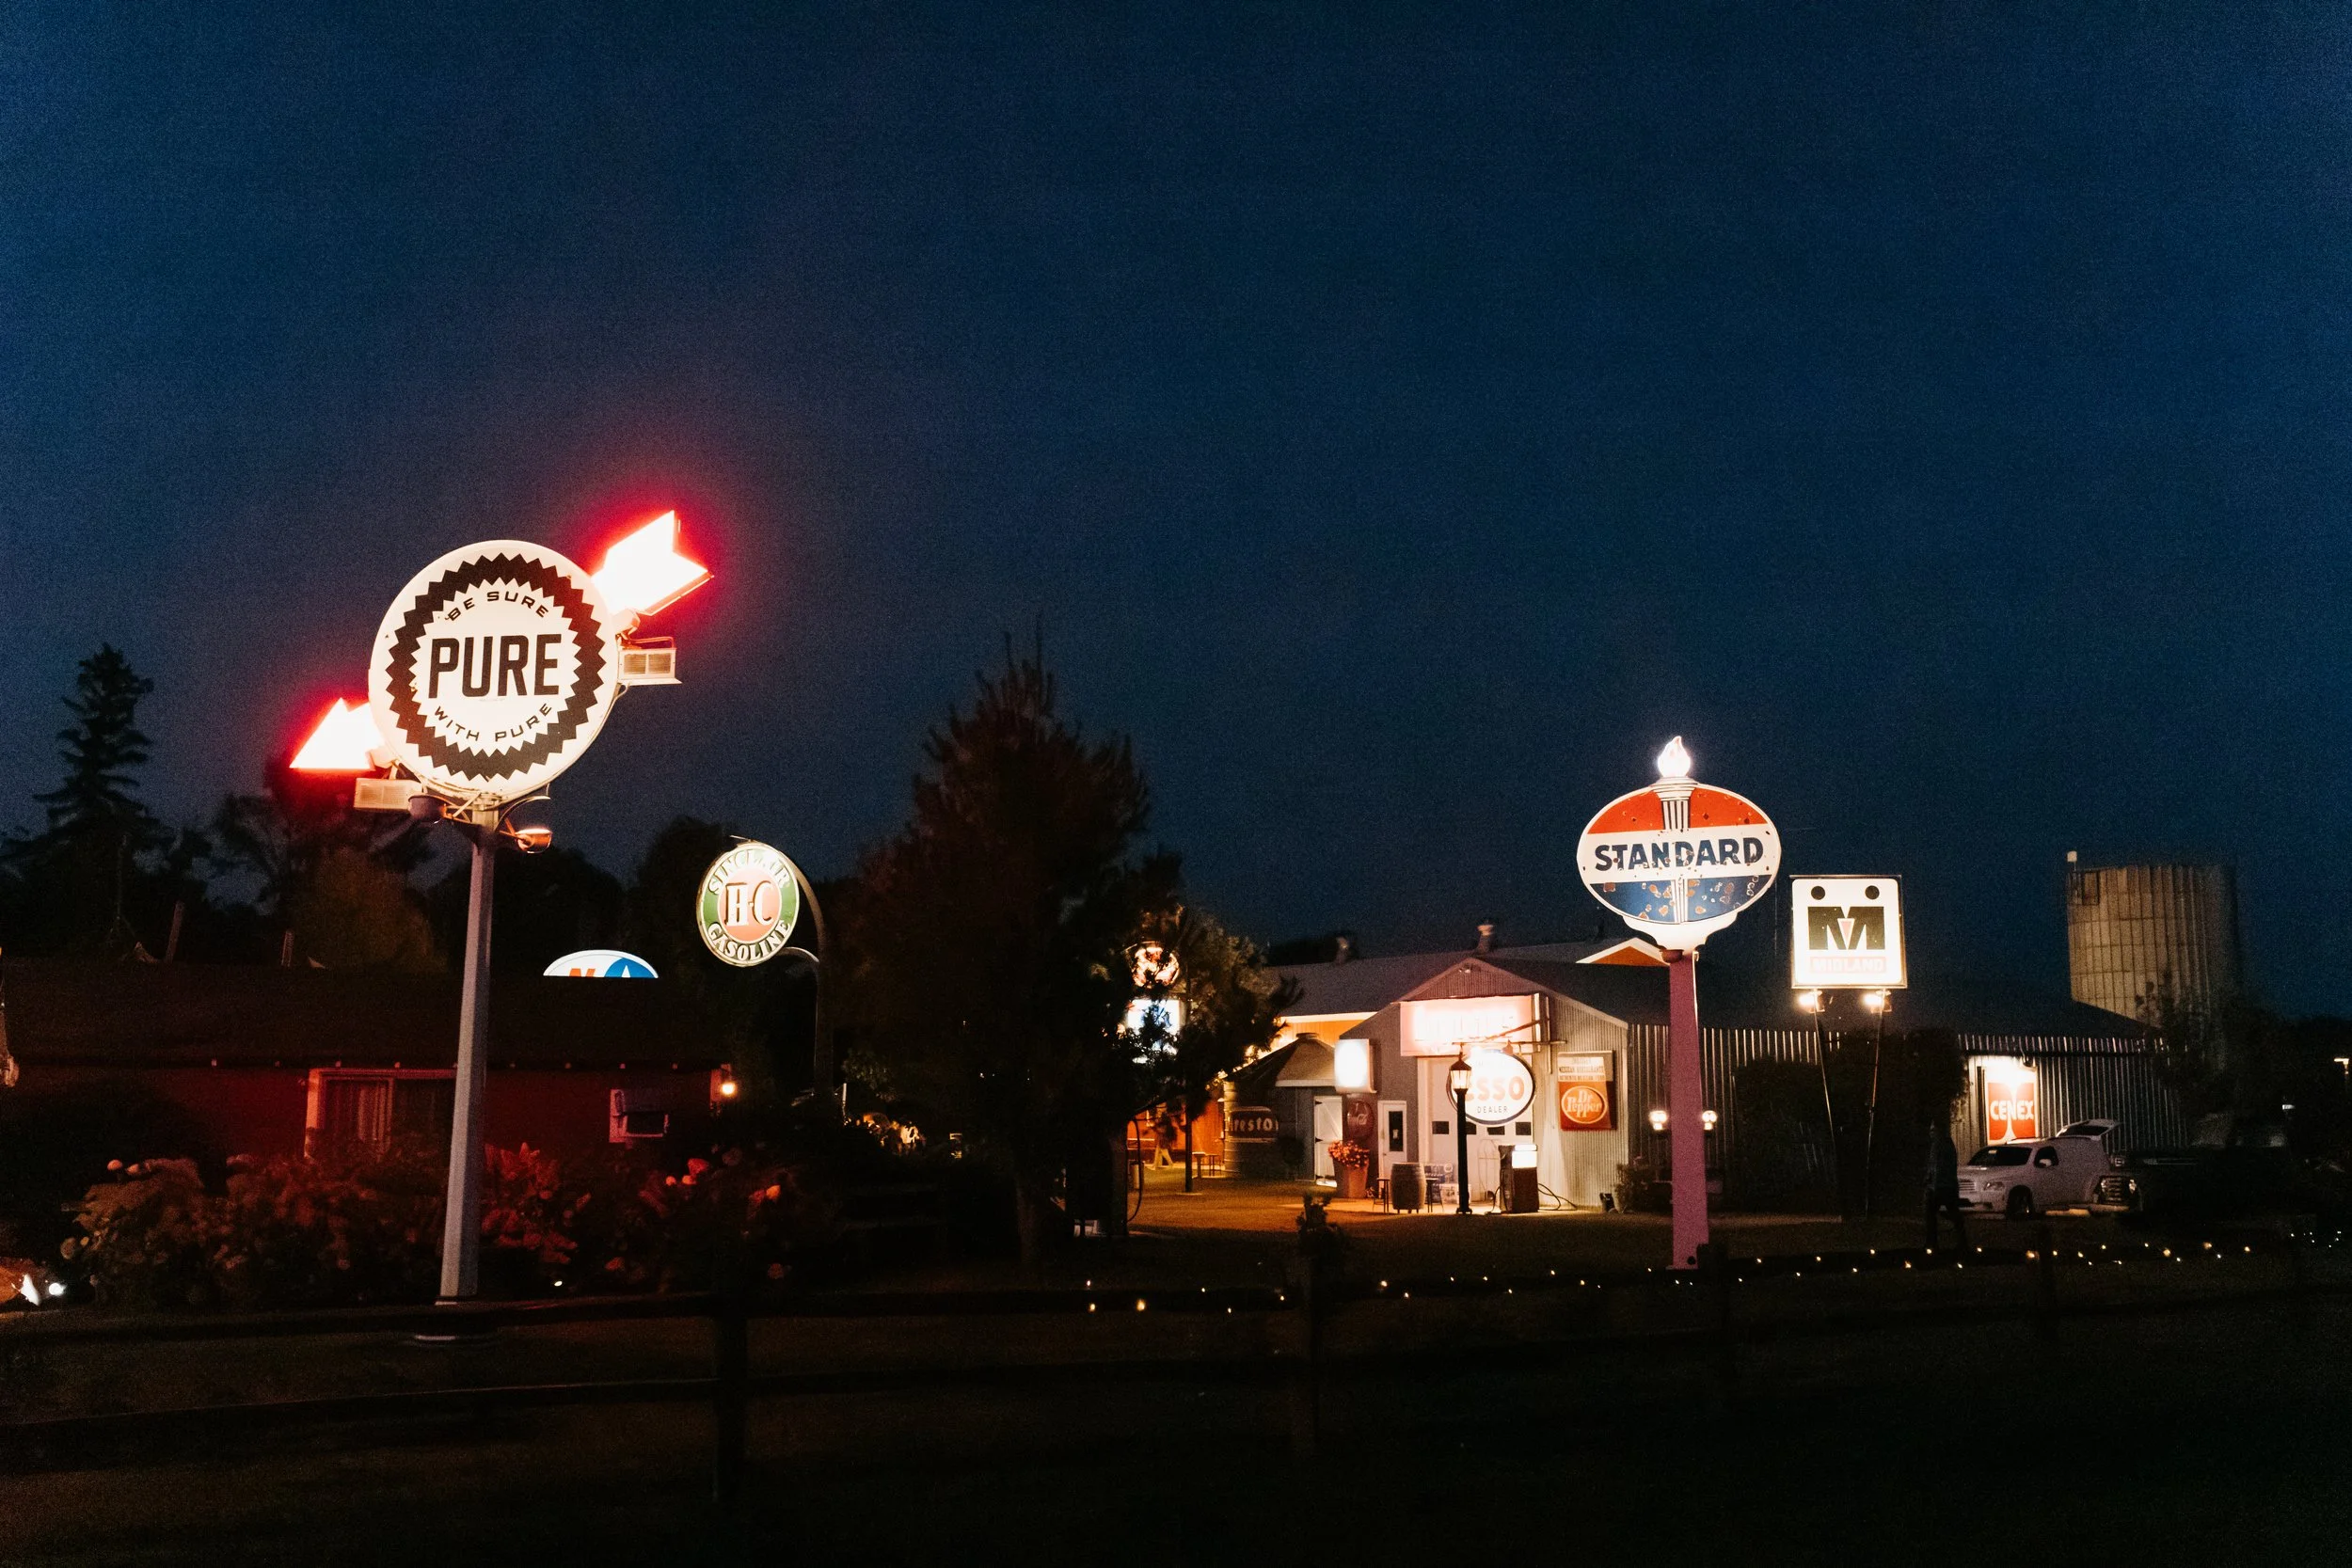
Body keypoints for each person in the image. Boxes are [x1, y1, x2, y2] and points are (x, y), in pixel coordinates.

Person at [1923, 1121, 1968, 1252]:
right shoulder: (1949, 1144)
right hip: (1950, 1186)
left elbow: (1936, 1167)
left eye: (1933, 1131)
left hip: (1940, 1186)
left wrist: (1931, 1183)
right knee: (1954, 1214)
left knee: (1930, 1214)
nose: (1931, 1133)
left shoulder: (1937, 1145)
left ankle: (1932, 1243)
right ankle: (1962, 1242)